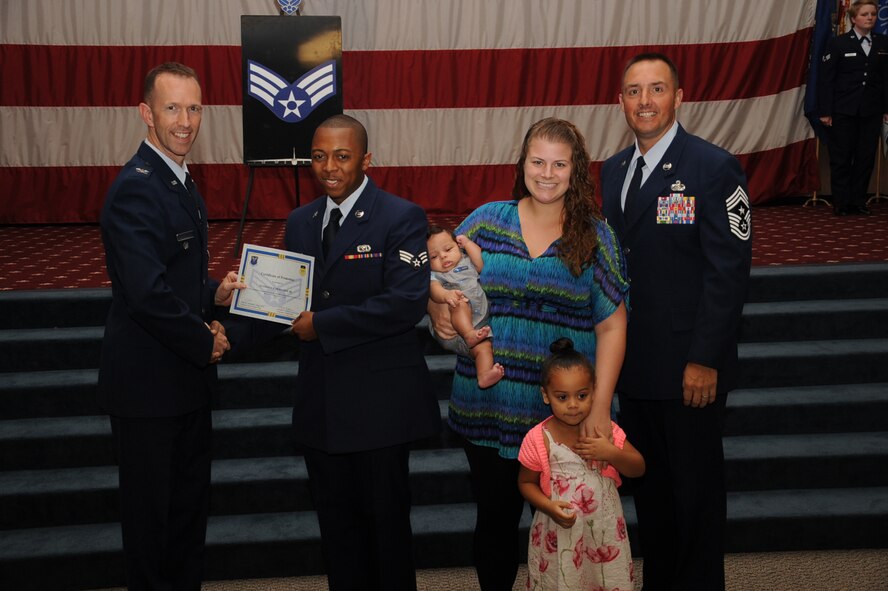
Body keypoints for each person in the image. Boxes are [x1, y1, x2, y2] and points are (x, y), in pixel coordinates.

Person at [430, 117, 629, 590]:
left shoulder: (595, 235)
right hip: (489, 409)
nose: (546, 173)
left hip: (565, 418)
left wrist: (599, 408)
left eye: (559, 164)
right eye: (537, 161)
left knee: (572, 526)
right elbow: (441, 286)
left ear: (576, 170)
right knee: (494, 523)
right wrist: (436, 312)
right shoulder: (483, 222)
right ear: (522, 164)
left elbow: (613, 325)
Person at [599, 53, 752, 591]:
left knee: (697, 497)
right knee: (654, 497)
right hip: (635, 367)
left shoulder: (713, 167)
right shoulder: (614, 170)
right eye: (634, 91)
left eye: (656, 89)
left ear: (679, 97)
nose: (644, 101)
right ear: (621, 102)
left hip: (690, 369)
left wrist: (705, 358)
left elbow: (728, 274)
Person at [98, 62, 244, 589]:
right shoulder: (137, 188)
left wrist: (214, 294)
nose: (185, 121)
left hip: (185, 385)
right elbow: (145, 295)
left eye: (194, 107)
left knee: (186, 520)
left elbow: (174, 279)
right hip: (148, 389)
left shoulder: (177, 180)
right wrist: (204, 338)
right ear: (146, 114)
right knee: (152, 529)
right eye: (172, 108)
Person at [284, 114, 441, 590]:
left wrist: (322, 325)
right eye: (318, 156)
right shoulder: (299, 222)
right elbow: (287, 306)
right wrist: (224, 325)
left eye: (342, 155)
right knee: (339, 537)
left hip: (380, 411)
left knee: (386, 535)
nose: (328, 167)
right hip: (322, 408)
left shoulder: (401, 217)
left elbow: (404, 303)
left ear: (366, 159)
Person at [518, 338, 644, 591]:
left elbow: (638, 467)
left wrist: (611, 453)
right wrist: (548, 506)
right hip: (558, 530)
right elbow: (525, 482)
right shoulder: (538, 438)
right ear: (546, 395)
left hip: (604, 532)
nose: (573, 405)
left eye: (582, 395)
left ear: (594, 392)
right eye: (562, 397)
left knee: (605, 581)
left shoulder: (604, 432)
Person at [818, 0, 888, 216]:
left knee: (865, 157)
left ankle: (858, 200)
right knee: (841, 156)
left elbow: (885, 80)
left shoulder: (883, 43)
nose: (870, 18)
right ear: (853, 18)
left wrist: (885, 108)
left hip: (871, 110)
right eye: (865, 14)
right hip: (843, 110)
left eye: (874, 14)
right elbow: (827, 80)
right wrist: (825, 111)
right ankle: (841, 202)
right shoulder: (839, 43)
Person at [426, 224, 504, 388]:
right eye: (433, 257)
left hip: (479, 326)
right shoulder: (435, 275)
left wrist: (468, 244)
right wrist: (447, 295)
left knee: (484, 348)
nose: (443, 257)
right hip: (455, 329)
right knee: (459, 301)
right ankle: (469, 334)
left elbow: (481, 264)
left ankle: (484, 376)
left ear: (458, 247)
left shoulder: (467, 261)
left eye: (448, 249)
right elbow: (434, 292)